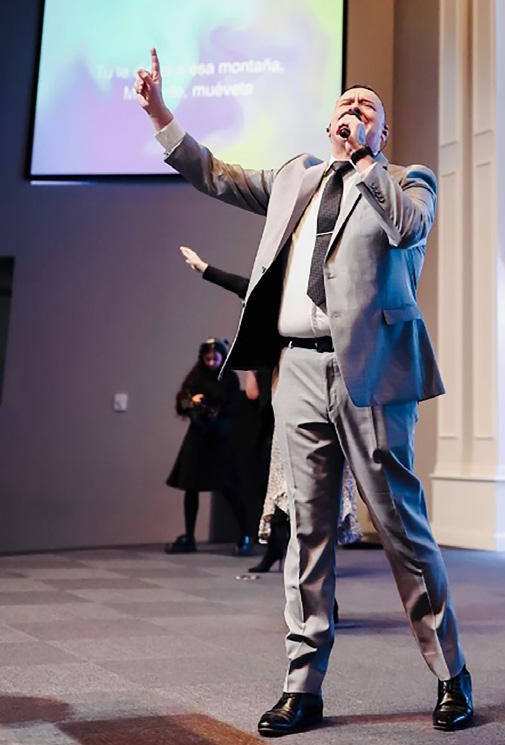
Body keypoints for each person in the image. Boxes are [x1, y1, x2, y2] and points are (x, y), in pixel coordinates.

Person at [135, 48, 471, 735]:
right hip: (297, 371)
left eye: (366, 107)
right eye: (345, 104)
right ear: (327, 124)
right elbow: (216, 174)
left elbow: (408, 228)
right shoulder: (296, 177)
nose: (353, 110)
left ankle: (450, 674)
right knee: (306, 534)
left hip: (372, 371)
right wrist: (161, 114)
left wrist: (367, 160)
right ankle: (302, 685)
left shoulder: (407, 180)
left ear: (382, 129)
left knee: (400, 527)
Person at [177, 246, 362, 574]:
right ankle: (283, 553)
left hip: (314, 392)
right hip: (278, 405)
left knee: (316, 484)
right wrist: (205, 268)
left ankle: (312, 558)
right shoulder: (276, 306)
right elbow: (243, 286)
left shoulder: (313, 307)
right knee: (281, 485)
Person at [165, 338, 258, 554]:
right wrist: (193, 402)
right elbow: (182, 403)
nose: (211, 362)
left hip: (220, 439)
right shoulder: (196, 376)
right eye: (207, 359)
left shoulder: (228, 378)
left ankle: (245, 534)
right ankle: (189, 536)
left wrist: (215, 413)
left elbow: (234, 407)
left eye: (215, 358)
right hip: (197, 437)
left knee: (229, 488)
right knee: (191, 488)